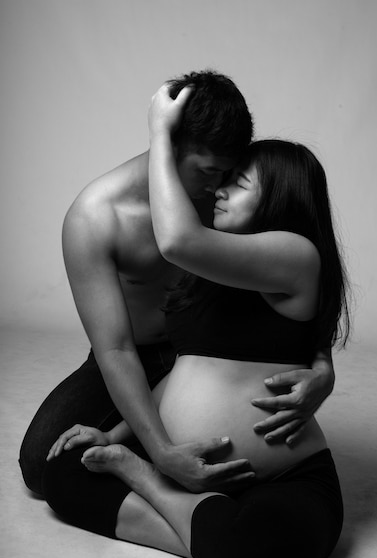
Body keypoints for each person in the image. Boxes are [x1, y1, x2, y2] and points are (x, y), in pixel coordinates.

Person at [42, 84, 351, 558]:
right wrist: (120, 434)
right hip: (148, 391)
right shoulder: (191, 239)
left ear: (276, 197)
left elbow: (180, 242)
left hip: (279, 476)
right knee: (57, 470)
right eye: (217, 177)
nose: (219, 191)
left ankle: (158, 491)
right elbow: (183, 367)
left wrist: (323, 369)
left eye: (237, 181)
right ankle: (206, 532)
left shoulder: (291, 253)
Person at [19, 70, 336, 496]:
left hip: (215, 348)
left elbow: (296, 280)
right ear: (168, 145)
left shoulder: (224, 202)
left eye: (228, 173)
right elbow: (116, 348)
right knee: (43, 464)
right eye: (208, 171)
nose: (218, 186)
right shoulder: (95, 217)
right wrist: (161, 451)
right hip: (138, 355)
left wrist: (322, 365)